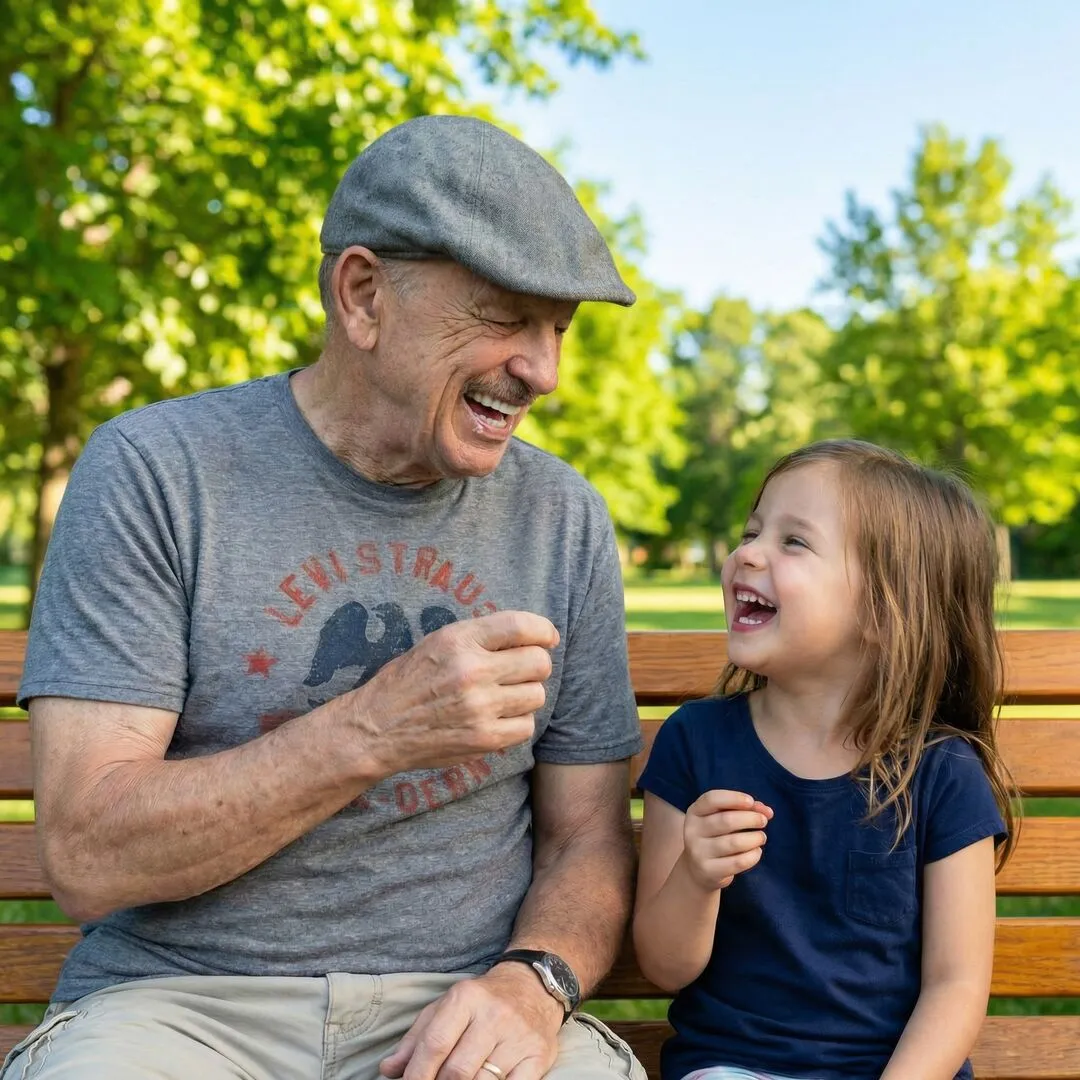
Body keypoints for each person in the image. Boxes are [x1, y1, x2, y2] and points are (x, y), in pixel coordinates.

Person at [5, 115, 647, 1080]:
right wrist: (373, 730)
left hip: (463, 1004)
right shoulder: (158, 473)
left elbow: (588, 838)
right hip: (182, 1011)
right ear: (362, 295)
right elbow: (89, 855)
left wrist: (534, 983)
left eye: (558, 330)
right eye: (506, 316)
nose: (543, 372)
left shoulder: (562, 517)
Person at [633, 439, 1017, 1080]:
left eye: (793, 542)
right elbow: (665, 967)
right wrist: (695, 879)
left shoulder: (942, 773)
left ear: (881, 610)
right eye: (753, 531)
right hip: (736, 1067)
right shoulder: (696, 742)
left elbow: (955, 986)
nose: (746, 553)